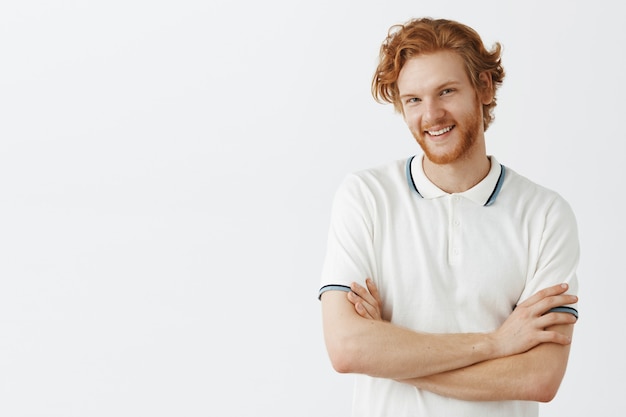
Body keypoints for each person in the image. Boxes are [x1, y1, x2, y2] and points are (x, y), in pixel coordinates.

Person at [318, 17, 579, 416]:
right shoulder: (366, 196)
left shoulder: (545, 214)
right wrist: (495, 344)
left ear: (484, 88)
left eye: (447, 91)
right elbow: (348, 348)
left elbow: (538, 378)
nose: (432, 115)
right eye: (414, 100)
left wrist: (389, 354)